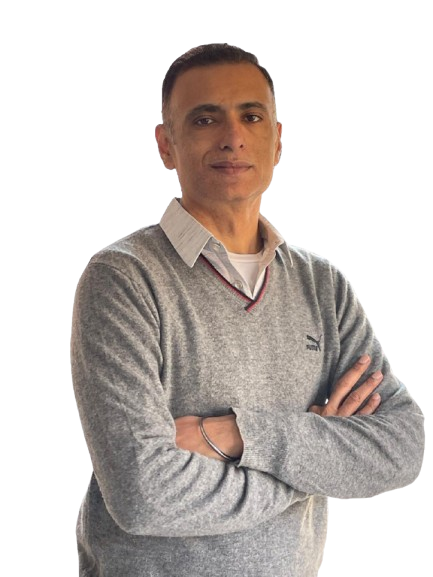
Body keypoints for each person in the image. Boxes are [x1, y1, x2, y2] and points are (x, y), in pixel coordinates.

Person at [71, 43, 426, 577]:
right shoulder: (123, 278)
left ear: (277, 140)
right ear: (166, 145)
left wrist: (237, 435)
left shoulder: (322, 285)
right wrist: (311, 462)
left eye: (251, 116)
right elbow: (144, 494)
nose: (232, 136)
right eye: (205, 118)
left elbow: (401, 447)